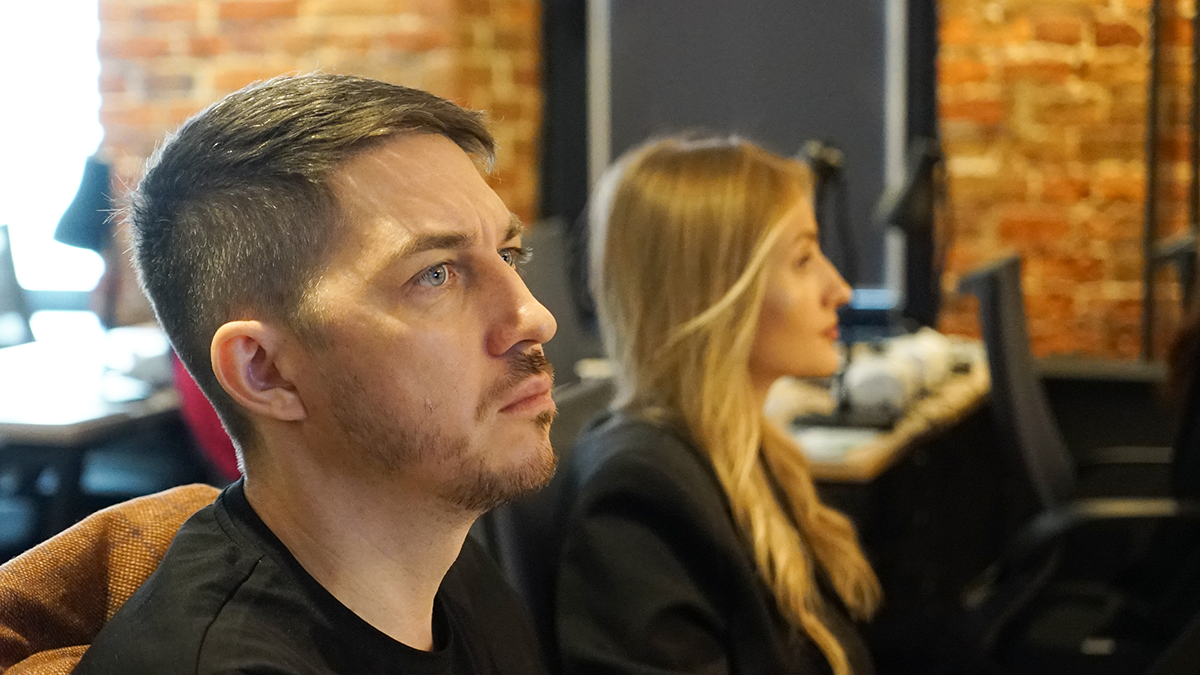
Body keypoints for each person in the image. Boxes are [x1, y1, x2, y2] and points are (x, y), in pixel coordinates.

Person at [73, 73, 558, 674]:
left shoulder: (455, 577)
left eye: (508, 255)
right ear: (265, 371)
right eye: (435, 275)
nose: (535, 318)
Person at [556, 136, 881, 675]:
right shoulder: (641, 493)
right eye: (803, 260)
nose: (840, 289)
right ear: (716, 294)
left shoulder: (745, 451)